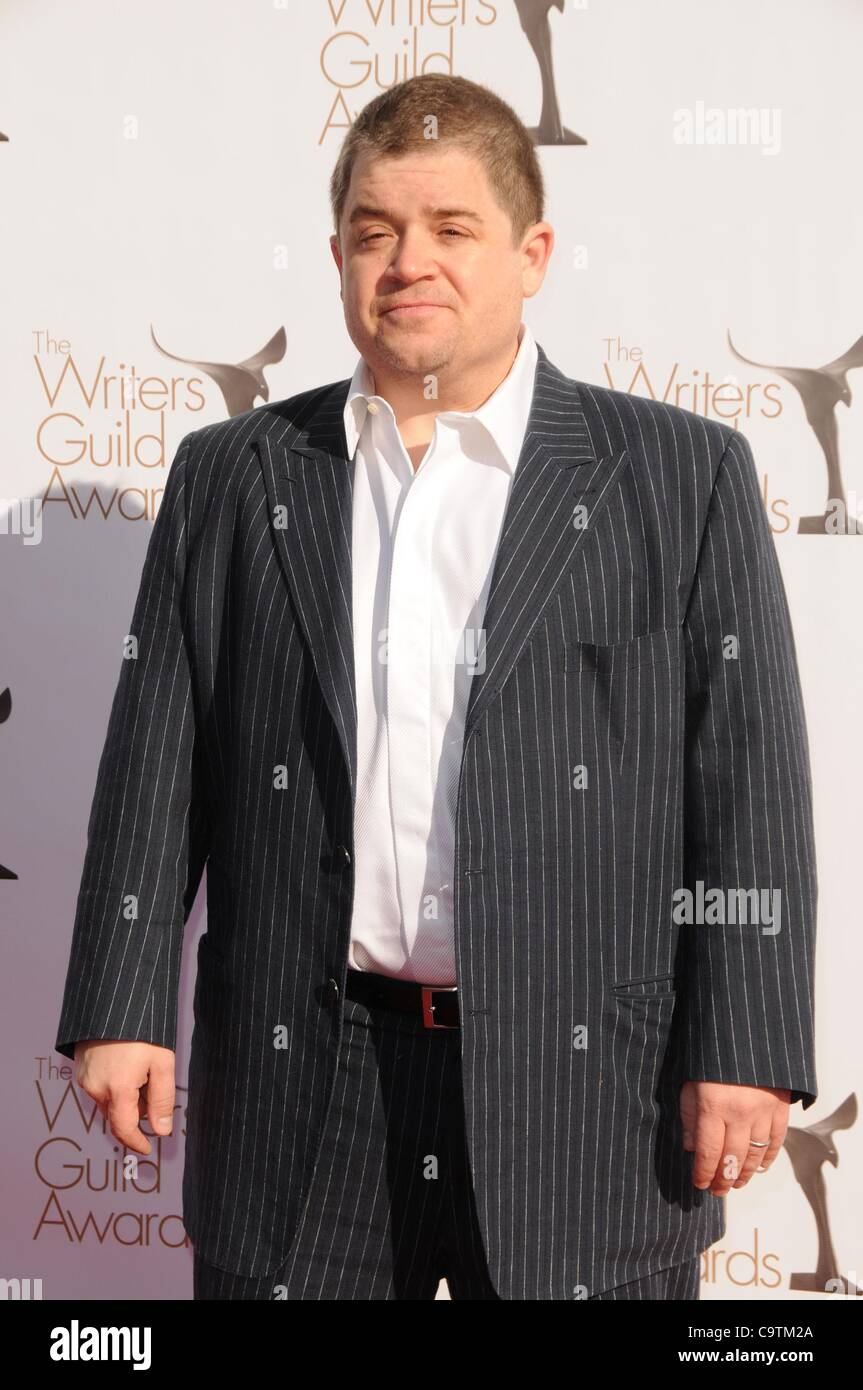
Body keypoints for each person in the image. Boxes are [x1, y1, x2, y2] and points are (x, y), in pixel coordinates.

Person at [55, 73, 818, 1301]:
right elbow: (161, 753)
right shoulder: (236, 473)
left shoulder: (680, 475)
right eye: (373, 231)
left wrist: (743, 1042)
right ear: (339, 255)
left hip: (587, 1086)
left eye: (450, 228)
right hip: (309, 1076)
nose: (407, 260)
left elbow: (746, 786)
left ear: (532, 252)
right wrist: (119, 1000)